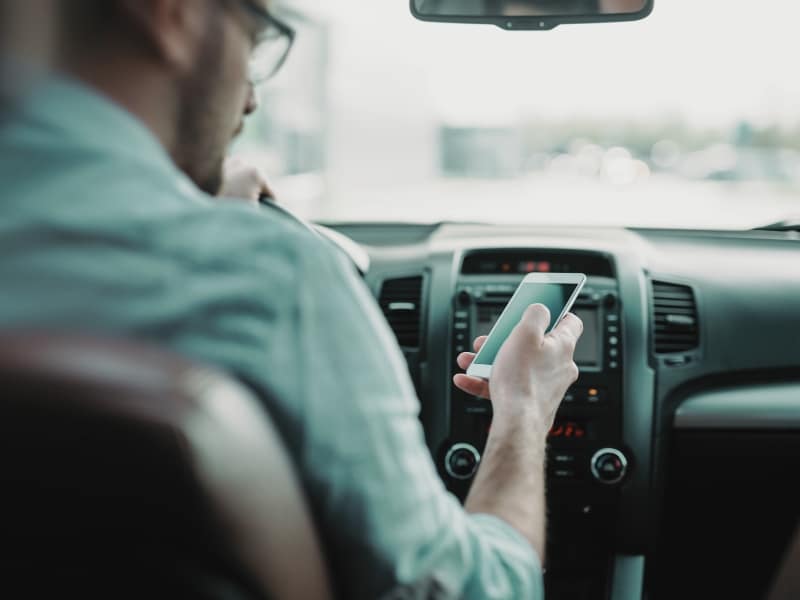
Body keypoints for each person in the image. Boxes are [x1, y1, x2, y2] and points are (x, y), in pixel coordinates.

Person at [0, 1, 583, 598]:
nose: (250, 100)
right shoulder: (271, 278)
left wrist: (207, 217)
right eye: (253, 46)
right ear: (169, 14)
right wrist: (524, 408)